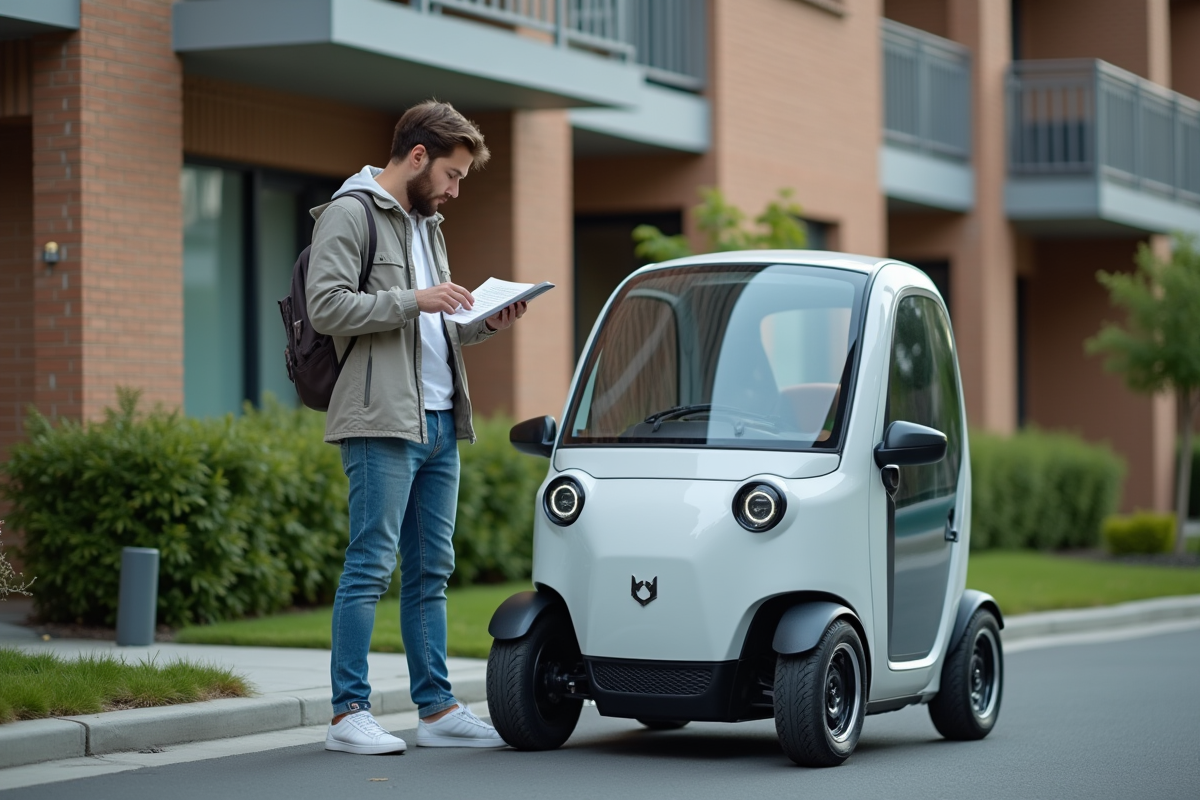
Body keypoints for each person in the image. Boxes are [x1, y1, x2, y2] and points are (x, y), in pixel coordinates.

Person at [306, 100, 526, 755]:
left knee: (431, 572)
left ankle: (436, 711)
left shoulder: (426, 224)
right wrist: (415, 299)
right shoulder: (351, 213)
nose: (455, 192)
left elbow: (432, 322)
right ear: (419, 157)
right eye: (453, 176)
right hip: (379, 418)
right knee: (370, 567)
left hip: (436, 417)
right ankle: (348, 714)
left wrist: (483, 321)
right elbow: (326, 307)